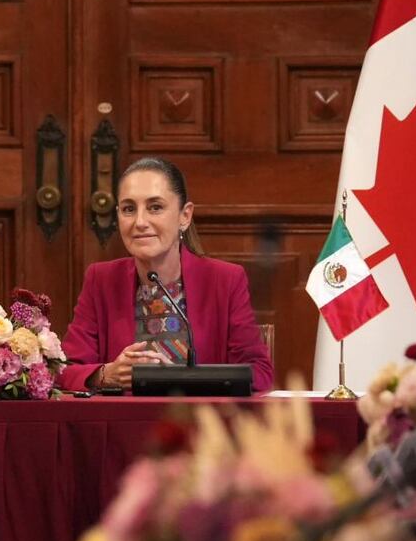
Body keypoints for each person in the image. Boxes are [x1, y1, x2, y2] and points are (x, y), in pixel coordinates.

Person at [57, 157, 273, 393]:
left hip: (201, 425)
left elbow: (260, 373)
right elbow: (63, 371)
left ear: (185, 216)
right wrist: (107, 374)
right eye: (129, 209)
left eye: (155, 207)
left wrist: (186, 380)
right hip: (124, 425)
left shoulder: (225, 280)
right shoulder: (101, 279)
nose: (140, 222)